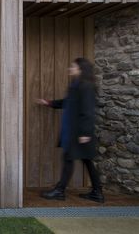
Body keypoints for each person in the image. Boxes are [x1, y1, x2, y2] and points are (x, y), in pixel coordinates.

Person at [36, 57, 104, 203]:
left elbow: (88, 111)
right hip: (76, 131)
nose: (70, 68)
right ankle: (97, 193)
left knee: (68, 159)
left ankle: (60, 191)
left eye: (73, 66)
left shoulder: (85, 86)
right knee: (86, 161)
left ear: (80, 69)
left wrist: (85, 133)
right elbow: (67, 103)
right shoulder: (76, 85)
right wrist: (48, 103)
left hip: (79, 133)